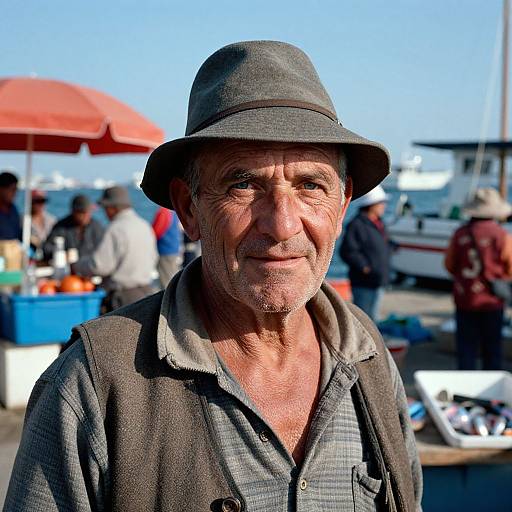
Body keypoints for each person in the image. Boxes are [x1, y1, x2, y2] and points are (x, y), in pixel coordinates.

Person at [6, 41, 422, 511]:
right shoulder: (94, 384)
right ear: (189, 208)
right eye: (243, 184)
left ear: (342, 204)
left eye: (310, 185)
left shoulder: (368, 355)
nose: (282, 224)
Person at [444, 188, 512, 370]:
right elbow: (510, 267)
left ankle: (466, 390)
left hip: (465, 298)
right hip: (492, 300)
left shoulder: (460, 234)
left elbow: (449, 265)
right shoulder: (501, 235)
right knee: (492, 349)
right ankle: (492, 393)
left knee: (466, 349)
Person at [71, 186, 158, 311]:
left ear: (112, 208)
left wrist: (77, 266)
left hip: (123, 297)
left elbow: (100, 266)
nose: (105, 213)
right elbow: (154, 257)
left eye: (105, 209)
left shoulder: (116, 228)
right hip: (146, 292)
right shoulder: (144, 225)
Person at [340, 185, 391, 321]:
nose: (384, 206)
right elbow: (347, 251)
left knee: (374, 318)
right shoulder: (356, 225)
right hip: (363, 282)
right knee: (363, 319)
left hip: (378, 280)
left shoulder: (379, 223)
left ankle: (373, 342)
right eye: (381, 203)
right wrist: (365, 267)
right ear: (371, 205)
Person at [43, 194, 105, 262]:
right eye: (83, 213)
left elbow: (104, 249)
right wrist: (62, 255)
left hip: (90, 268)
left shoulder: (97, 227)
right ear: (74, 212)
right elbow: (46, 248)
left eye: (89, 212)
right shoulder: (61, 226)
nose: (86, 216)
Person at [152, 206, 182, 287]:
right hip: (173, 249)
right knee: (172, 276)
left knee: (166, 280)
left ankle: (168, 299)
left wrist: (149, 237)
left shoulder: (164, 212)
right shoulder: (174, 212)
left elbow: (157, 230)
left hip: (165, 250)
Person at [0, 171, 21, 240]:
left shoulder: (14, 209)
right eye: (12, 190)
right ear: (1, 189)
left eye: (16, 190)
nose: (15, 193)